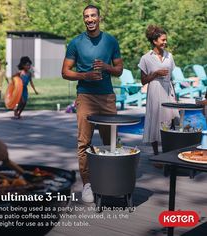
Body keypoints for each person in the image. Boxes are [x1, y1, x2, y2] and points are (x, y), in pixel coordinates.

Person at [61, 5, 123, 203]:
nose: (90, 19)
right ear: (84, 19)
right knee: (84, 143)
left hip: (107, 97)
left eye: (93, 15)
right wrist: (84, 75)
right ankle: (87, 184)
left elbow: (119, 69)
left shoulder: (110, 40)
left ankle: (111, 180)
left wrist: (106, 67)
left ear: (99, 18)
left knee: (112, 141)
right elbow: (65, 72)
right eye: (86, 16)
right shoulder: (76, 43)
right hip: (85, 96)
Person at [138, 25, 179, 155]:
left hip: (168, 89)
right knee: (155, 120)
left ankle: (169, 152)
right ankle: (156, 154)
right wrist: (155, 73)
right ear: (155, 41)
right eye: (163, 40)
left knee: (172, 119)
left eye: (166, 40)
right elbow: (143, 81)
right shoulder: (146, 58)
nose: (165, 42)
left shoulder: (169, 56)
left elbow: (171, 78)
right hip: (154, 90)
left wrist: (175, 96)